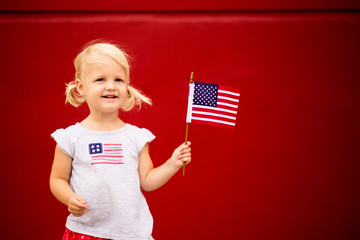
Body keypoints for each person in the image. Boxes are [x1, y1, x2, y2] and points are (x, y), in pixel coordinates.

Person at [49, 41, 192, 240]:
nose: (111, 86)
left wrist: (172, 164)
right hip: (86, 232)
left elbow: (147, 181)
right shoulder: (70, 138)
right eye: (100, 79)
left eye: (118, 79)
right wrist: (69, 198)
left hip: (131, 234)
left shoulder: (136, 137)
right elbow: (57, 179)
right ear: (81, 87)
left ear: (127, 86)